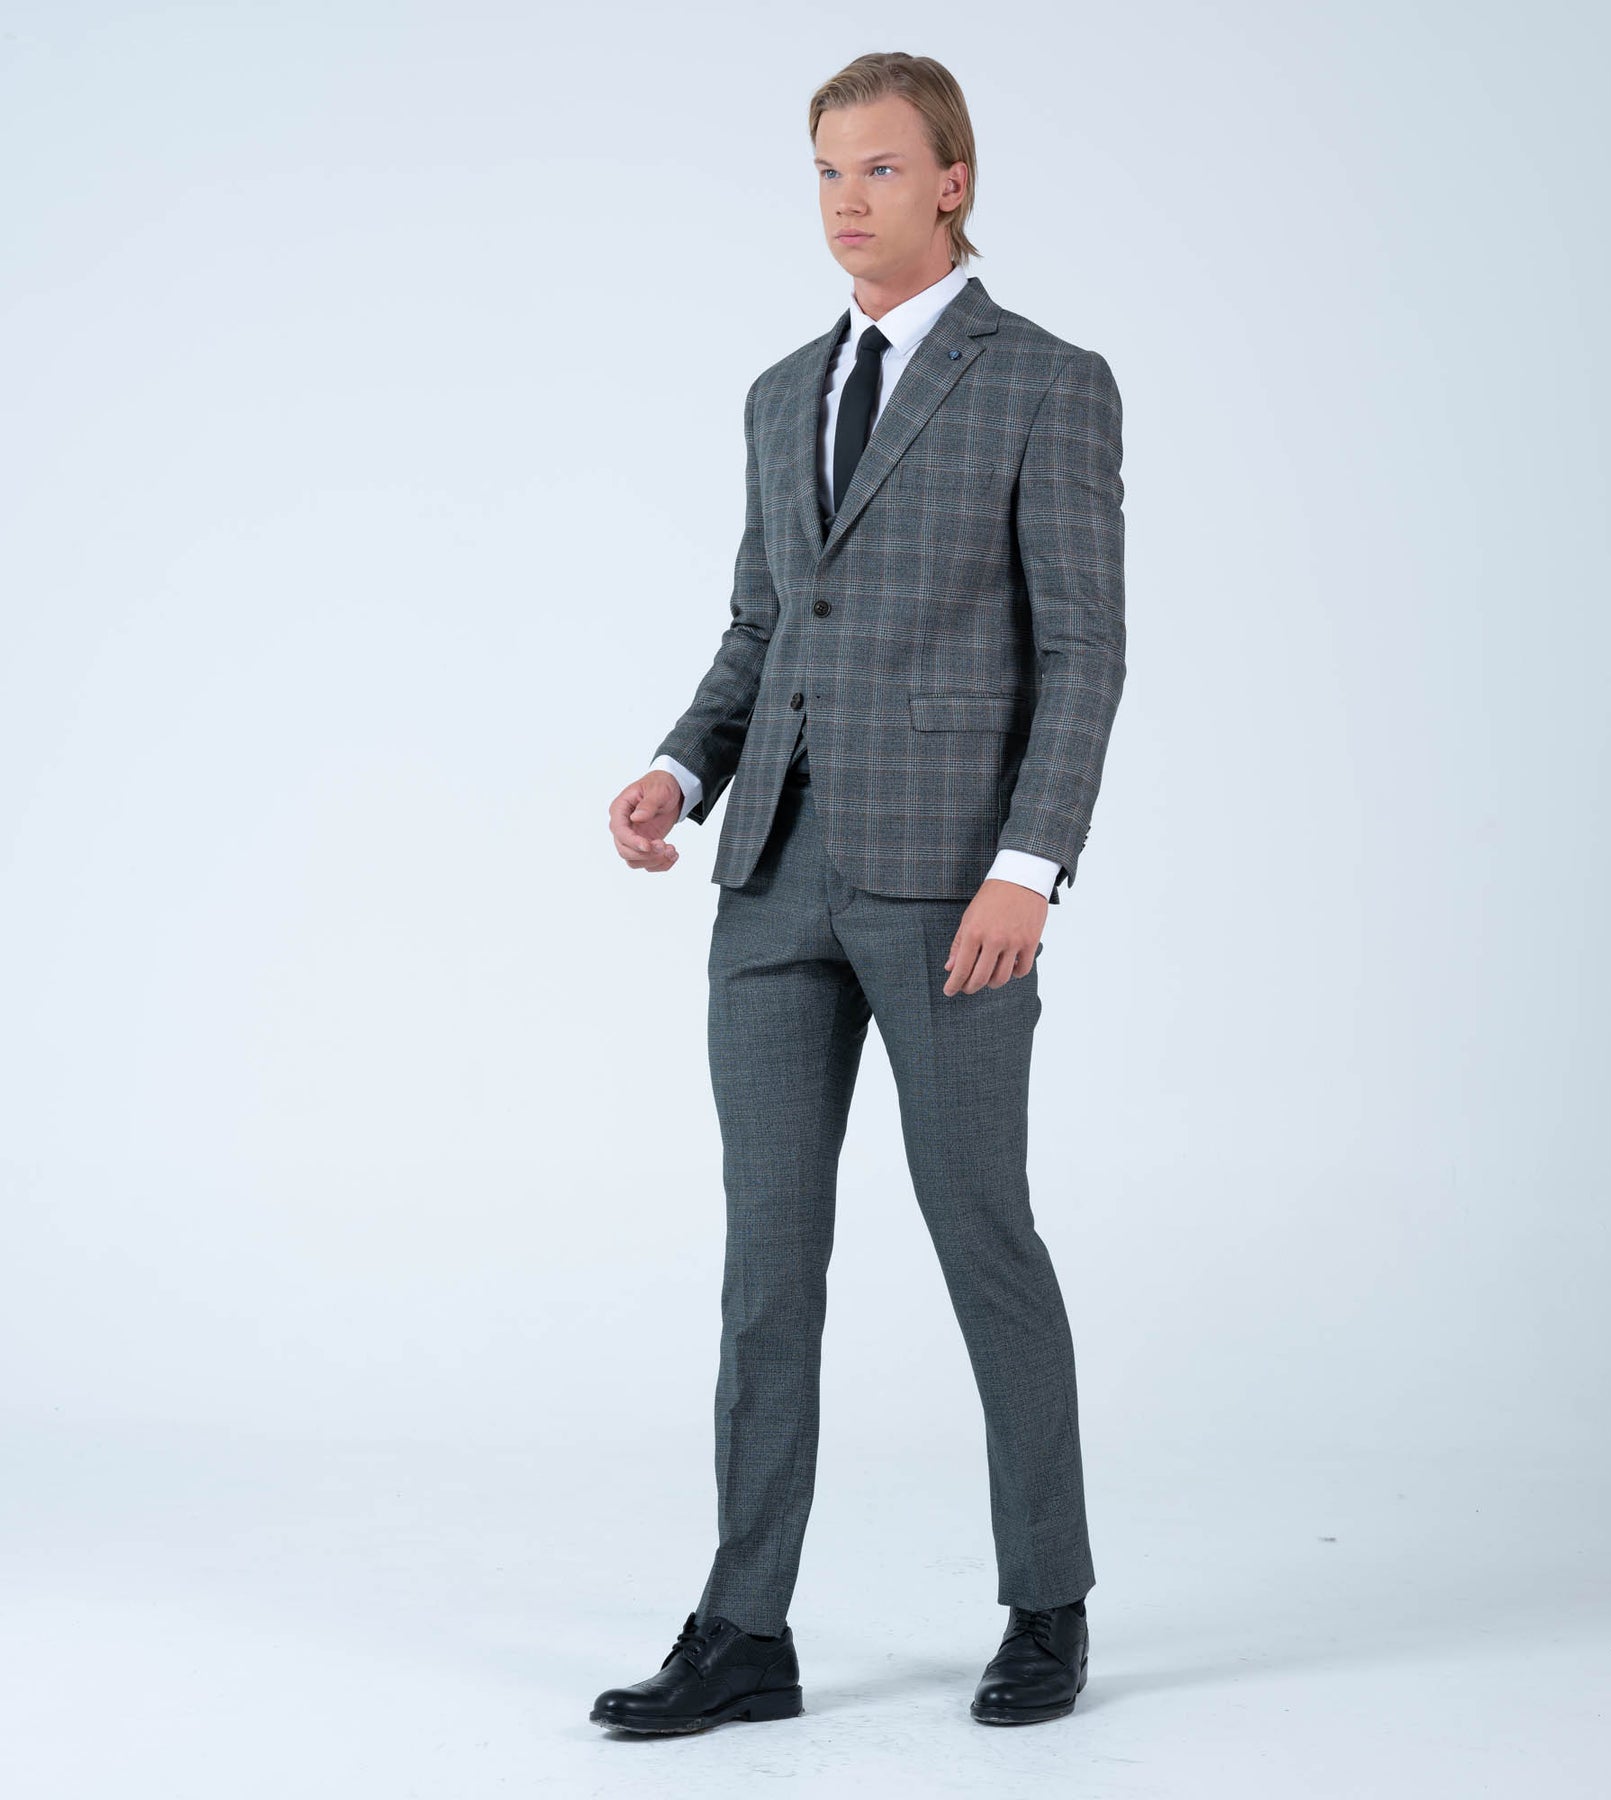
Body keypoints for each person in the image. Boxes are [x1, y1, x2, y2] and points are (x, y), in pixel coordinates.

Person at [593, 49, 1125, 1735]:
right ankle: (745, 1629)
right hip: (771, 882)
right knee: (768, 1260)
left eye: (881, 168)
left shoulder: (1046, 383)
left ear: (952, 181)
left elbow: (1084, 650)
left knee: (982, 1234)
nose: (846, 199)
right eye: (827, 170)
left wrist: (1029, 868)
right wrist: (681, 769)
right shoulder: (780, 394)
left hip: (956, 891)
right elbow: (764, 628)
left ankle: (1047, 1600)